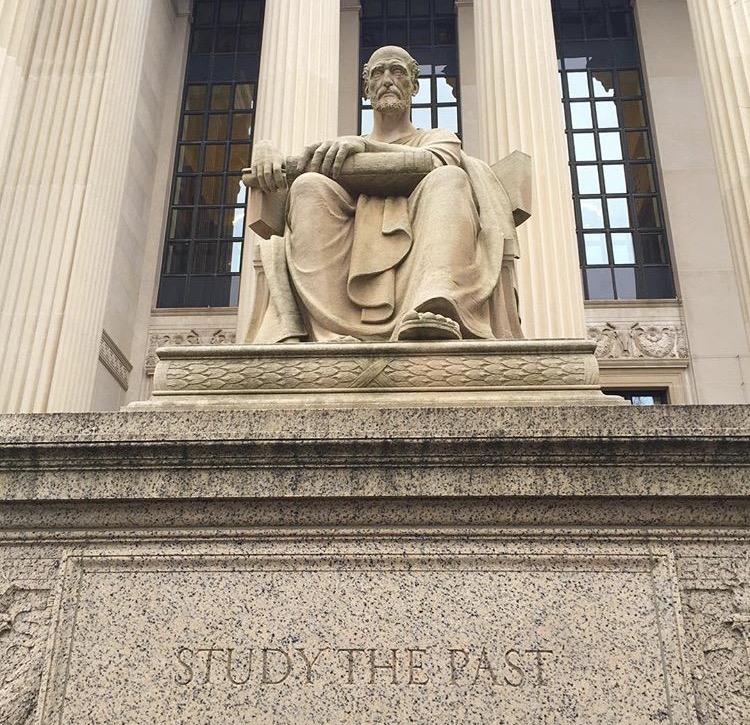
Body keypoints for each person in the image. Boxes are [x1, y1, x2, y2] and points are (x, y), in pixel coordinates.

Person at [246, 45, 524, 343]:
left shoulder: (436, 137)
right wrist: (265, 151)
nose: (387, 79)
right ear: (367, 89)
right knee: (307, 187)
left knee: (450, 178)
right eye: (378, 73)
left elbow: (435, 161)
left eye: (397, 71)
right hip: (346, 238)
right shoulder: (339, 150)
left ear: (414, 86)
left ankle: (432, 307)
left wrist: (364, 148)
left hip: (423, 239)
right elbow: (290, 182)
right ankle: (332, 332)